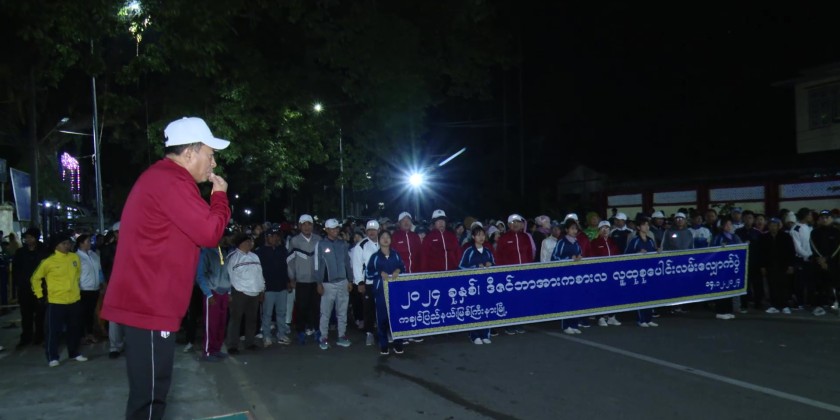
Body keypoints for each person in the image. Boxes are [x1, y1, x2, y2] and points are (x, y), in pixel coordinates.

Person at [100, 116, 231, 419]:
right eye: (210, 155)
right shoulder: (171, 181)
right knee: (150, 399)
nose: (213, 164)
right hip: (148, 303)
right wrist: (220, 197)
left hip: (150, 302)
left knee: (151, 393)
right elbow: (210, 232)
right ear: (190, 153)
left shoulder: (165, 179)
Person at [31, 232, 87, 367]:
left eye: (68, 243)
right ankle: (52, 357)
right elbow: (35, 278)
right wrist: (39, 295)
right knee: (53, 331)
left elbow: (78, 274)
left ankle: (74, 353)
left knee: (74, 329)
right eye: (64, 243)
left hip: (74, 300)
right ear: (56, 246)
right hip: (56, 302)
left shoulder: (74, 257)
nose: (67, 246)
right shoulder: (48, 262)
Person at [314, 218, 354, 350]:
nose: (335, 230)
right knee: (325, 312)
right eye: (332, 228)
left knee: (342, 311)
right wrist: (319, 283)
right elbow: (317, 265)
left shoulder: (343, 244)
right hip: (328, 284)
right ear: (326, 230)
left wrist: (350, 280)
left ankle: (342, 336)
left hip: (343, 281)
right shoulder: (321, 244)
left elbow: (347, 263)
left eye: (336, 228)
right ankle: (323, 337)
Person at [365, 230, 406, 355]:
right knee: (382, 318)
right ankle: (383, 345)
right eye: (383, 237)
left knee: (396, 317)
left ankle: (398, 343)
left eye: (388, 237)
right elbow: (368, 273)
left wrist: (398, 270)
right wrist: (379, 273)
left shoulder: (396, 254)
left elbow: (403, 267)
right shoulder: (375, 257)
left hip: (395, 290)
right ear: (379, 240)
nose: (385, 239)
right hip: (380, 291)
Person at [225, 233, 265, 354]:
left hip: (254, 293)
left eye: (251, 241)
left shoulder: (255, 256)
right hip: (239, 292)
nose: (250, 243)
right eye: (248, 241)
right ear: (241, 243)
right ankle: (232, 345)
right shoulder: (233, 257)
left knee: (252, 320)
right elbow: (227, 276)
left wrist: (262, 289)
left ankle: (249, 342)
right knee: (235, 320)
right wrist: (229, 292)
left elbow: (260, 274)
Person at [287, 214, 322, 345]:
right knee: (301, 307)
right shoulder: (294, 241)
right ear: (300, 226)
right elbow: (290, 261)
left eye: (309, 224)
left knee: (316, 307)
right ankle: (301, 332)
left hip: (316, 280)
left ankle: (317, 330)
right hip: (301, 280)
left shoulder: (318, 239)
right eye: (304, 224)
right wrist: (292, 277)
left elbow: (322, 261)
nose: (307, 227)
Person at [255, 226, 291, 346]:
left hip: (282, 286)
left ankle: (281, 334)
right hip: (268, 288)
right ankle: (266, 336)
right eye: (272, 236)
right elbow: (258, 272)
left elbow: (286, 267)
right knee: (267, 314)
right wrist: (260, 289)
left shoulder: (282, 250)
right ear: (267, 237)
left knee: (282, 312)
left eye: (277, 236)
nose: (275, 238)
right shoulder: (260, 251)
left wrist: (288, 281)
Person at [459, 224, 495, 344]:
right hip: (472, 287)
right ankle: (474, 335)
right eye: (478, 235)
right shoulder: (469, 251)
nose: (481, 237)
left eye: (483, 235)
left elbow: (495, 265)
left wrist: (491, 265)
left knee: (485, 308)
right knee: (474, 309)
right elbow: (461, 266)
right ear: (473, 237)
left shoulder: (488, 251)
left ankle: (485, 334)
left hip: (486, 286)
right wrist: (475, 267)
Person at [12, 227, 48, 348]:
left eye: (30, 237)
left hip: (40, 288)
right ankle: (26, 337)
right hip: (24, 288)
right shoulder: (20, 252)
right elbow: (16, 270)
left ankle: (39, 336)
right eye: (26, 237)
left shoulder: (44, 251)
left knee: (40, 313)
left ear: (36, 238)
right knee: (26, 314)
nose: (28, 240)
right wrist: (18, 283)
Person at [195, 243, 231, 362]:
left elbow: (227, 273)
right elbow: (200, 276)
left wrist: (229, 291)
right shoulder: (205, 253)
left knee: (221, 323)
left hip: (223, 292)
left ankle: (216, 349)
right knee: (211, 324)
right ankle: (207, 351)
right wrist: (208, 293)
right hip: (212, 292)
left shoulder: (222, 252)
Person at [351, 219, 381, 346]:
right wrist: (360, 282)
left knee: (383, 307)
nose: (371, 232)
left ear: (378, 230)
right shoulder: (361, 245)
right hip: (368, 282)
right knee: (369, 308)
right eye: (369, 230)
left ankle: (384, 331)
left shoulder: (384, 242)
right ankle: (369, 333)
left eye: (374, 230)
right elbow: (357, 265)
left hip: (383, 281)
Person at [552, 219, 585, 334]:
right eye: (572, 228)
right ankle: (566, 325)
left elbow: (580, 254)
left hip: (575, 276)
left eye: (576, 229)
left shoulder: (576, 243)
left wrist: (579, 258)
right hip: (564, 276)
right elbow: (554, 257)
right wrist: (568, 259)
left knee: (576, 299)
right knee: (566, 300)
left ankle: (574, 324)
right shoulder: (561, 242)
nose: (574, 231)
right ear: (566, 230)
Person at [625, 218, 659, 327]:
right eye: (644, 225)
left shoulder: (650, 240)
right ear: (638, 227)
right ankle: (641, 319)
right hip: (638, 272)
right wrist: (637, 253)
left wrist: (657, 251)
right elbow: (626, 254)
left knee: (650, 294)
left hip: (649, 271)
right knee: (640, 295)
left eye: (648, 225)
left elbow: (653, 252)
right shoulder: (635, 240)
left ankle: (649, 319)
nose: (646, 227)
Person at [759, 217, 795, 314]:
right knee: (772, 285)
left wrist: (791, 265)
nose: (773, 227)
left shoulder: (786, 237)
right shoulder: (764, 237)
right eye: (771, 225)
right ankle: (774, 305)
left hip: (783, 265)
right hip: (770, 265)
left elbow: (791, 252)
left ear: (779, 226)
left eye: (775, 225)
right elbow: (761, 253)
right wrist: (762, 266)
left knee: (784, 285)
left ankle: (785, 305)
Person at [590, 220, 622, 327]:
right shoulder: (594, 242)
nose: (605, 230)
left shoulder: (613, 242)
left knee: (612, 294)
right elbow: (592, 258)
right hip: (601, 274)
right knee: (600, 295)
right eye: (603, 228)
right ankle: (600, 317)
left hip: (612, 273)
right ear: (599, 230)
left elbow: (617, 256)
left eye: (607, 228)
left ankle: (611, 316)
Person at [100, 222, 124, 359]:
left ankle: (130, 344)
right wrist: (106, 284)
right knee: (114, 318)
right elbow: (104, 268)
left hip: (131, 287)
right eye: (118, 232)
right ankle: (115, 346)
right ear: (114, 233)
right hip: (114, 286)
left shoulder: (135, 245)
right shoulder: (108, 249)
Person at [809, 210, 840, 316]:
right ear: (819, 219)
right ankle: (819, 306)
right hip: (818, 263)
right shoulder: (814, 232)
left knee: (835, 285)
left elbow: (837, 248)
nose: (825, 219)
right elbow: (813, 246)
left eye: (827, 217)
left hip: (833, 263)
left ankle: (836, 305)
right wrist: (821, 260)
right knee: (819, 285)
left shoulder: (837, 232)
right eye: (822, 217)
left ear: (831, 219)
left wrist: (827, 260)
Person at [710, 218, 741, 320]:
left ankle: (728, 310)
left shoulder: (734, 236)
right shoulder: (718, 237)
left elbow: (741, 247)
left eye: (730, 224)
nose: (729, 226)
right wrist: (720, 247)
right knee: (721, 288)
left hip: (731, 266)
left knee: (729, 287)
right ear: (722, 226)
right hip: (721, 266)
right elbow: (712, 249)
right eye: (726, 224)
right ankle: (720, 311)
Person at [75, 234, 103, 344]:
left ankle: (90, 334)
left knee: (90, 313)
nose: (90, 243)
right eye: (87, 241)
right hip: (83, 289)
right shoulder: (76, 257)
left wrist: (101, 282)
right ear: (81, 243)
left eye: (90, 241)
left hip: (95, 288)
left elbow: (99, 270)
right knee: (82, 313)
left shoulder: (94, 254)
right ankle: (82, 335)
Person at [789, 207, 813, 311]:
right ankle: (799, 302)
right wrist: (807, 255)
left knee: (810, 282)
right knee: (800, 283)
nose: (811, 217)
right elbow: (797, 248)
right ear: (805, 216)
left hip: (811, 259)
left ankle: (809, 301)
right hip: (801, 260)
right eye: (810, 215)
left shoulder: (809, 227)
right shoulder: (795, 229)